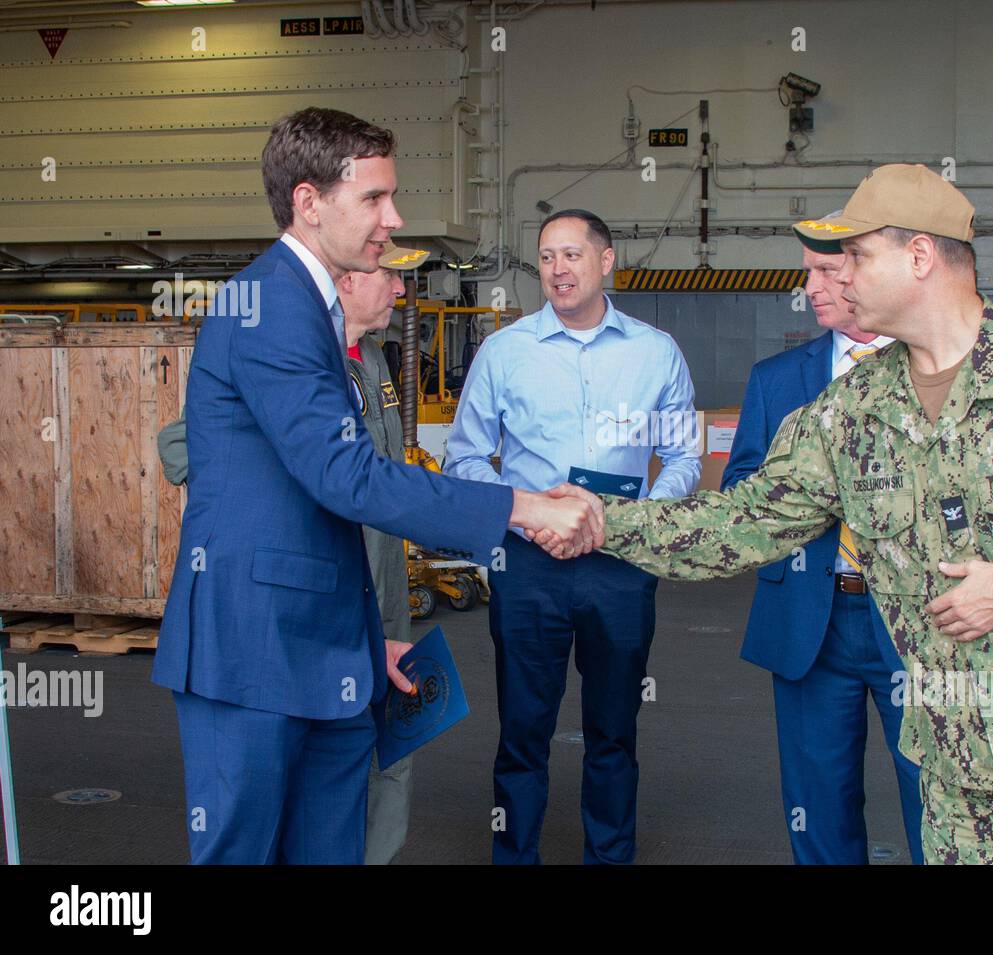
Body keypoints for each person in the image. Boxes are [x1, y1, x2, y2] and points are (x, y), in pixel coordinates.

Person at [569, 164, 993, 864]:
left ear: (919, 256)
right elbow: (745, 520)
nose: (836, 276)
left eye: (856, 256)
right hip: (961, 775)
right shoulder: (850, 412)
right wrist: (598, 520)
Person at [152, 107, 602, 865]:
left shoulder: (320, 314)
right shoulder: (266, 306)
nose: (393, 220)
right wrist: (523, 505)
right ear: (308, 201)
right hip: (254, 651)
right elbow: (347, 477)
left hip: (328, 652)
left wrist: (369, 641)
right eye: (375, 199)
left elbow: (322, 511)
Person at [155, 241, 428, 865]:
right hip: (304, 599)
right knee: (267, 800)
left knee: (384, 753)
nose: (401, 290)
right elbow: (186, 444)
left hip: (376, 591)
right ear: (349, 281)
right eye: (390, 275)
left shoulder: (373, 360)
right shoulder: (292, 352)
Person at [443, 209, 700, 864]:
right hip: (529, 566)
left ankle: (608, 857)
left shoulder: (655, 352)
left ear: (606, 261)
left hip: (619, 566)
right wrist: (529, 510)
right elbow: (465, 459)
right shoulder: (505, 351)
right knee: (521, 735)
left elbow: (682, 462)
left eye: (572, 255)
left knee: (613, 735)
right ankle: (514, 855)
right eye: (547, 256)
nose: (558, 268)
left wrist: (628, 520)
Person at [721, 209, 920, 865]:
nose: (812, 286)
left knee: (939, 796)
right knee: (818, 801)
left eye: (828, 271)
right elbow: (742, 492)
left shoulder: (938, 367)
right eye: (809, 272)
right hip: (812, 615)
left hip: (922, 620)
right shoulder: (776, 380)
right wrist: (812, 491)